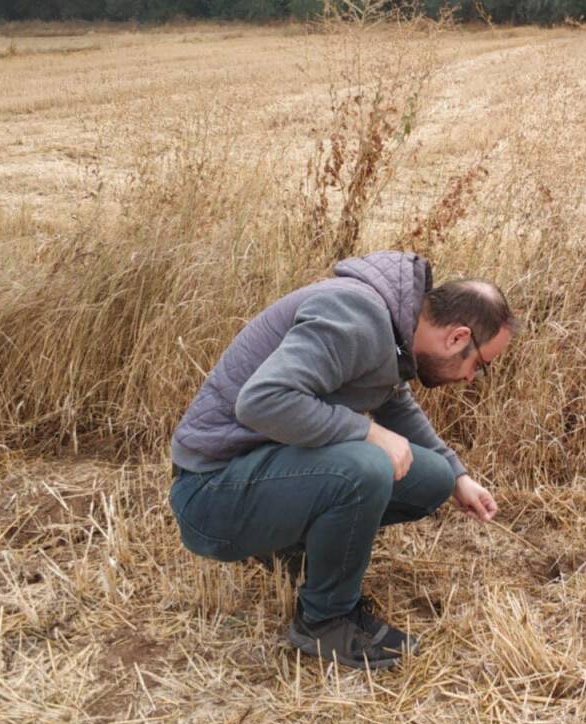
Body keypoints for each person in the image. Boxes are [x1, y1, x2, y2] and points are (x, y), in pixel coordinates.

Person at [167, 250, 517, 670]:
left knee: (433, 478)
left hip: (258, 473)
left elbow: (396, 406)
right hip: (209, 494)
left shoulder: (393, 330)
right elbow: (261, 401)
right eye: (479, 365)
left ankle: (295, 551)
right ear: (458, 338)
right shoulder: (355, 315)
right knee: (365, 467)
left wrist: (458, 476)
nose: (471, 378)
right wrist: (368, 432)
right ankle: (325, 622)